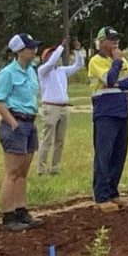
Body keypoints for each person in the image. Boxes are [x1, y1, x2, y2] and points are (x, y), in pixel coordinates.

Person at [0, 33, 45, 232]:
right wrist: (12, 123)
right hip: (16, 122)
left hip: (29, 122)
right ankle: (8, 215)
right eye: (30, 48)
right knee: (12, 172)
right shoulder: (8, 73)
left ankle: (21, 210)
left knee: (23, 172)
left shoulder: (32, 70)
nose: (34, 50)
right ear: (20, 51)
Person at [87, 26, 128, 209]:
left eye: (117, 39)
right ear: (101, 43)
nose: (116, 42)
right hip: (105, 113)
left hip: (122, 112)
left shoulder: (120, 59)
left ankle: (112, 192)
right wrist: (117, 65)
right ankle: (101, 197)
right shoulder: (96, 61)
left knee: (118, 155)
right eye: (112, 39)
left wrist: (117, 78)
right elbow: (109, 79)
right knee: (104, 155)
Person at [35, 37, 83, 176]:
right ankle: (41, 169)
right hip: (50, 107)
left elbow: (78, 65)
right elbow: (51, 63)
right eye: (51, 54)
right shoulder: (43, 70)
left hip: (63, 107)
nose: (55, 57)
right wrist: (61, 47)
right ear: (45, 58)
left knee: (60, 141)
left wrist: (78, 50)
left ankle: (55, 168)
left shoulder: (62, 70)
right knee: (47, 139)